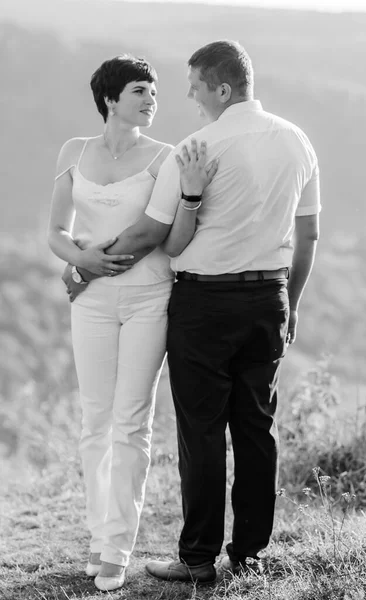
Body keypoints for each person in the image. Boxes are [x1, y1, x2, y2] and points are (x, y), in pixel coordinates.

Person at [64, 39, 320, 584]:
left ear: (221, 89)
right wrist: (290, 304)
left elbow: (158, 236)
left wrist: (85, 266)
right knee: (257, 428)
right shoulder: (298, 141)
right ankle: (249, 555)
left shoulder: (196, 147)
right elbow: (309, 233)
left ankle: (198, 558)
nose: (187, 94)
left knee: (200, 431)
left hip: (204, 302)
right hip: (270, 296)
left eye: (195, 85)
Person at [48, 54, 217, 592]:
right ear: (110, 99)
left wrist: (94, 263)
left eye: (155, 91)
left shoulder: (166, 157)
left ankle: (119, 550)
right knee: (94, 421)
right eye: (141, 90)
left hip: (149, 298)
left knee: (130, 422)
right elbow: (55, 230)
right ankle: (99, 540)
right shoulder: (74, 152)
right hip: (91, 303)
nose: (152, 100)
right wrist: (76, 264)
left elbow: (165, 238)